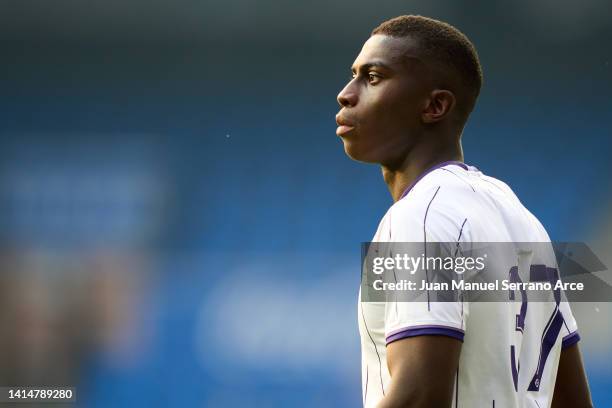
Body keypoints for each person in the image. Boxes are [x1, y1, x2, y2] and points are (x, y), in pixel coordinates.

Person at [335, 15, 593, 408]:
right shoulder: (522, 218)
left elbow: (420, 396)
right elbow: (571, 399)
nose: (346, 94)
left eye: (372, 77)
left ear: (435, 105)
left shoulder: (422, 217)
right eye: (354, 75)